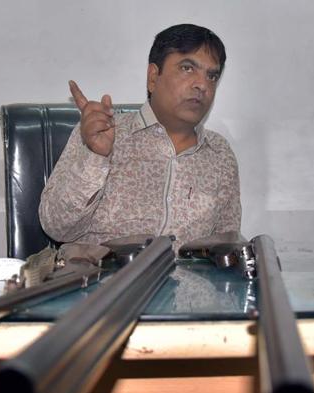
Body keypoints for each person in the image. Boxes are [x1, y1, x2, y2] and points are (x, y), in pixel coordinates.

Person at [39, 23, 241, 251]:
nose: (202, 84)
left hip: (187, 284)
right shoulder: (103, 133)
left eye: (212, 76)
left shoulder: (219, 154)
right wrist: (96, 157)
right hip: (104, 282)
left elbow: (225, 247)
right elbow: (55, 227)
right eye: (187, 68)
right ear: (153, 77)